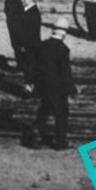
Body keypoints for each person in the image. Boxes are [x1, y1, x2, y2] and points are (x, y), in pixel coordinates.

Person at [22, 17, 78, 149]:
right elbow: (65, 72)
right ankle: (60, 143)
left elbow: (32, 66)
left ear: (53, 30)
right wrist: (72, 89)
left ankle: (36, 137)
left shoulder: (42, 46)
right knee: (61, 114)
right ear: (64, 33)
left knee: (44, 111)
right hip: (58, 89)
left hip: (43, 87)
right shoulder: (63, 49)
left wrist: (29, 82)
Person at [18, 0, 43, 93]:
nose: (22, 0)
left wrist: (23, 45)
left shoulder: (31, 13)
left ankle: (30, 86)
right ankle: (31, 85)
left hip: (30, 45)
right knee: (29, 65)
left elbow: (30, 32)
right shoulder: (29, 10)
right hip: (32, 45)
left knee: (29, 66)